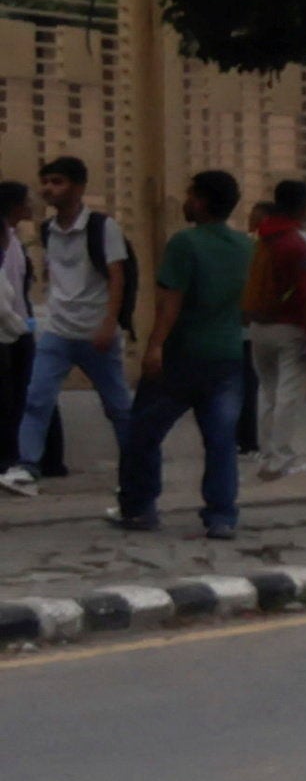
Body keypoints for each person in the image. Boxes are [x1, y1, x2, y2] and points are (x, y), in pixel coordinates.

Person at [113, 169, 257, 541]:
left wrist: (155, 346)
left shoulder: (185, 244)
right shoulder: (246, 247)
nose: (186, 202)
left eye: (191, 195)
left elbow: (169, 304)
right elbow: (249, 305)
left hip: (181, 355)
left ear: (204, 201)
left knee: (143, 431)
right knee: (221, 440)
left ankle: (140, 507)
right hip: (227, 354)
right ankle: (221, 515)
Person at [9, 155, 136, 497]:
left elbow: (117, 276)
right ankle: (27, 467)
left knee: (118, 407)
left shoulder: (101, 226)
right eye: (46, 181)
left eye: (58, 182)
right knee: (37, 398)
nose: (49, 189)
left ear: (78, 187)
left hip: (96, 333)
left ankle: (136, 467)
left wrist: (110, 323)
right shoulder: (47, 229)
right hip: (58, 331)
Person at [239, 178, 306, 482]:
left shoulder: (262, 237)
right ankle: (279, 458)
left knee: (269, 394)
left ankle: (268, 455)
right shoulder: (298, 241)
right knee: (288, 396)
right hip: (291, 329)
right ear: (304, 204)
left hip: (259, 327)